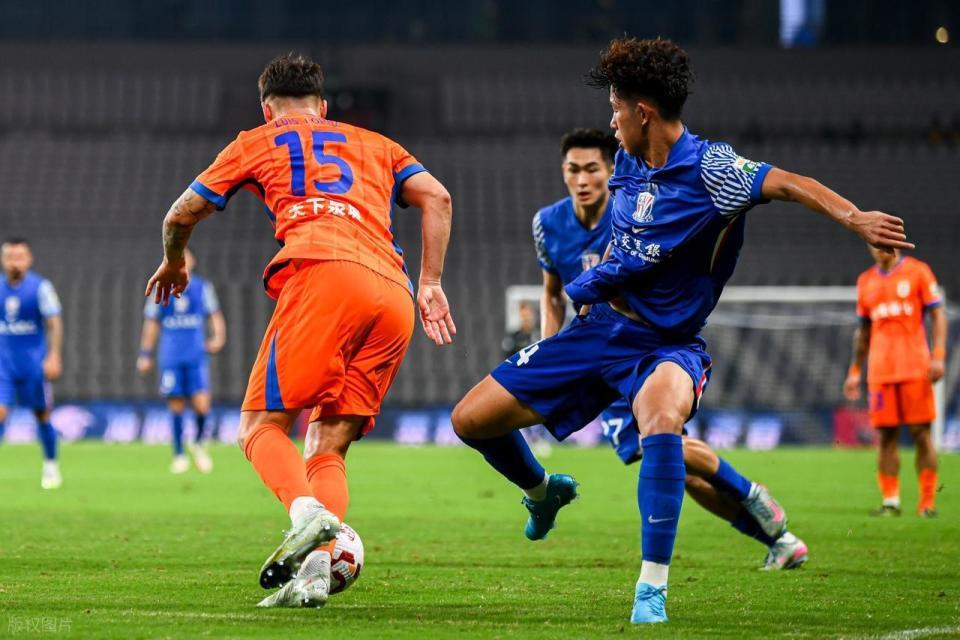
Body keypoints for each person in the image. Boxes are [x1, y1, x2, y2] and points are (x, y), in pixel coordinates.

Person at [451, 37, 912, 624]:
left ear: (643, 112)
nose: (611, 122)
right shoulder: (625, 165)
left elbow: (788, 182)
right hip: (598, 331)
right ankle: (544, 494)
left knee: (661, 424)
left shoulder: (712, 169)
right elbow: (624, 242)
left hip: (663, 345)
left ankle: (652, 591)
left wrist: (856, 218)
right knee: (470, 420)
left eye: (616, 109)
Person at [145, 53, 455, 608]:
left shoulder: (257, 140)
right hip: (394, 291)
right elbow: (438, 196)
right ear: (323, 107)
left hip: (325, 274)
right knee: (327, 444)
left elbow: (179, 215)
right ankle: (313, 576)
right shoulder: (378, 143)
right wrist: (430, 281)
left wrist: (173, 262)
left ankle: (307, 514)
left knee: (258, 427)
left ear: (267, 109)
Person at [535, 127, 805, 568]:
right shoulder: (547, 224)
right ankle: (780, 540)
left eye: (592, 169)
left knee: (655, 447)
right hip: (595, 354)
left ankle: (748, 492)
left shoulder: (639, 207)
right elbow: (551, 293)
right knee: (676, 471)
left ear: (611, 169)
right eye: (573, 170)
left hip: (646, 349)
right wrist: (550, 348)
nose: (582, 180)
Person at [843, 247, 946, 517]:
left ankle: (927, 503)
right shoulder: (866, 280)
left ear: (896, 242)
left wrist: (938, 356)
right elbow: (863, 331)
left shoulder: (918, 272)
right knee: (886, 436)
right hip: (880, 373)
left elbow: (938, 315)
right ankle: (891, 501)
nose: (878, 249)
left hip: (915, 368)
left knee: (921, 434)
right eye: (873, 244)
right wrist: (855, 370)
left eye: (884, 242)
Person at [138, 248, 226, 474]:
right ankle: (178, 454)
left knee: (202, 405)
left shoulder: (202, 288)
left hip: (196, 355)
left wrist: (218, 337)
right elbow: (151, 322)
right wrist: (145, 354)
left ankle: (198, 444)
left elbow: (215, 315)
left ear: (193, 261)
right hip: (171, 356)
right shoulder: (162, 287)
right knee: (176, 404)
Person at [0, 238, 64, 489]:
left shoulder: (40, 288)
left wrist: (54, 355)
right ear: (3, 260)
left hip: (32, 365)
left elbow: (54, 323)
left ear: (29, 259)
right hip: (3, 366)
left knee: (42, 414)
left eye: (19, 257)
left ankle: (50, 464)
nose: (14, 262)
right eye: (10, 257)